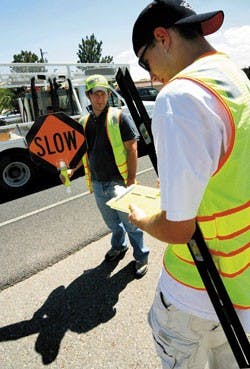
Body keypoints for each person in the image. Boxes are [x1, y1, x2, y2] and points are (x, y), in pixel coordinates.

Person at [129, 1, 250, 368]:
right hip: (241, 283)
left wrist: (142, 219)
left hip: (195, 294)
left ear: (162, 38)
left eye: (146, 64)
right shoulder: (235, 78)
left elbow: (179, 228)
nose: (153, 77)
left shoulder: (178, 98)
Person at [64, 74, 149, 278]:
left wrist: (130, 181)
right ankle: (119, 246)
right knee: (112, 223)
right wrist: (71, 170)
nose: (100, 98)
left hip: (119, 182)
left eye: (104, 94)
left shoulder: (119, 117)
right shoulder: (83, 122)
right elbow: (81, 151)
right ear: (88, 96)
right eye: (96, 94)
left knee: (131, 224)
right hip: (98, 182)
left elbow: (132, 149)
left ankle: (141, 256)